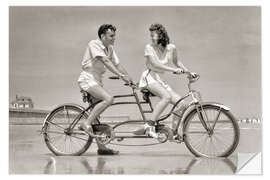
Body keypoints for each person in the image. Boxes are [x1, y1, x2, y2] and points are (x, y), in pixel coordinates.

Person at [77, 24, 132, 155]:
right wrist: (120, 76)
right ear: (103, 36)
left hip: (97, 80)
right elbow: (106, 61)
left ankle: (102, 148)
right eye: (111, 36)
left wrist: (130, 80)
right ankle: (86, 123)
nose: (114, 38)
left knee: (96, 114)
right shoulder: (94, 44)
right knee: (108, 99)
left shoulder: (110, 48)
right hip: (88, 78)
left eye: (114, 36)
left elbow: (117, 64)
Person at [136, 23, 197, 138]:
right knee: (166, 97)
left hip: (160, 79)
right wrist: (173, 70)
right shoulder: (149, 47)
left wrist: (188, 72)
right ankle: (149, 125)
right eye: (151, 35)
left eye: (153, 35)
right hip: (149, 78)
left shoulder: (171, 48)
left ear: (161, 35)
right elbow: (155, 64)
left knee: (182, 104)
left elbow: (177, 62)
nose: (151, 38)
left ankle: (173, 132)